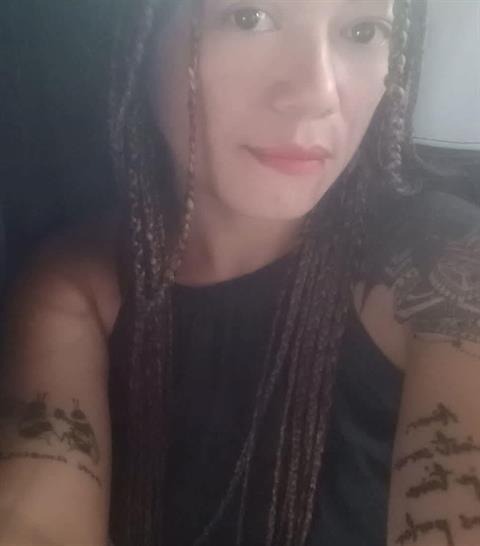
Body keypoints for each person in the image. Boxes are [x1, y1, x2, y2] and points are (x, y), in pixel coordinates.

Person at [1, 1, 479, 545]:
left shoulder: (445, 271)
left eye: (363, 30)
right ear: (142, 36)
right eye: (249, 18)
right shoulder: (80, 286)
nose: (318, 93)